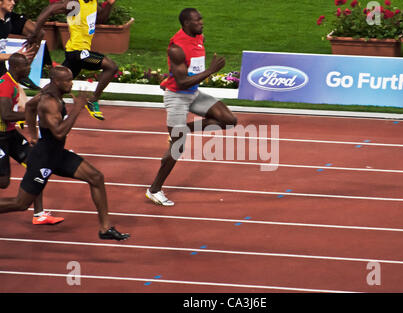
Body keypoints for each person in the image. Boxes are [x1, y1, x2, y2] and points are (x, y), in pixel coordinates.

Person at [0, 61, 129, 240]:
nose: (71, 84)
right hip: (44, 158)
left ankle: (105, 228)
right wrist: (76, 109)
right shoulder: (49, 102)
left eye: (71, 79)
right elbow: (59, 133)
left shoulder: (47, 92)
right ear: (56, 81)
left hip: (57, 154)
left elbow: (30, 107)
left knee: (96, 177)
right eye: (67, 81)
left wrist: (33, 134)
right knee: (21, 203)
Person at [146, 8, 237, 206]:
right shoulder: (176, 48)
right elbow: (181, 83)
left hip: (194, 94)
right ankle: (154, 190)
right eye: (197, 21)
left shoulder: (199, 37)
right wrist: (211, 71)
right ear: (186, 23)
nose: (202, 23)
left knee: (229, 120)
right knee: (177, 149)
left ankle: (182, 130)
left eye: (201, 19)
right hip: (177, 96)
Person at [27, 0, 119, 120]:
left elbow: (100, 19)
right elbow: (49, 10)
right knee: (112, 67)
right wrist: (35, 34)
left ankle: (29, 108)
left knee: (54, 88)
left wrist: (109, 4)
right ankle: (93, 100)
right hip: (78, 53)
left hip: (77, 55)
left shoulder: (92, 4)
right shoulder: (75, 5)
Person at [0, 52, 64, 224]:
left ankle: (39, 214)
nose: (29, 68)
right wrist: (29, 115)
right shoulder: (5, 85)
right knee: (3, 182)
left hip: (10, 133)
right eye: (26, 65)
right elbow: (5, 114)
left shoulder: (14, 82)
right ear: (15, 67)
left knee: (35, 164)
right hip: (0, 137)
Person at [0, 0, 50, 90]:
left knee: (38, 33)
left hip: (2, 69)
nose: (13, 3)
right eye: (10, 0)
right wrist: (13, 56)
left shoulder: (7, 16)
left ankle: (22, 72)